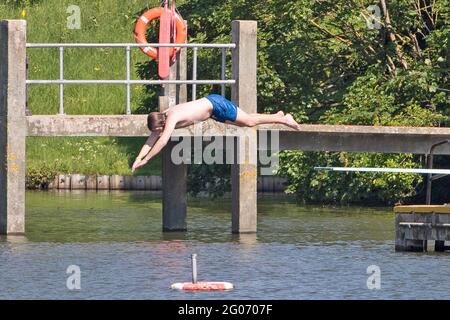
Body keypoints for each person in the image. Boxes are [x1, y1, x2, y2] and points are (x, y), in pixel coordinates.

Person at [131, 94, 300, 172]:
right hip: (213, 109)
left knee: (249, 122)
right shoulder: (165, 115)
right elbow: (151, 140)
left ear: (160, 126)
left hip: (216, 105)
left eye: (157, 131)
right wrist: (138, 159)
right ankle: (277, 116)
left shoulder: (172, 118)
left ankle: (284, 120)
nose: (157, 133)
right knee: (246, 121)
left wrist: (147, 160)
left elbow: (161, 142)